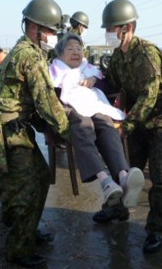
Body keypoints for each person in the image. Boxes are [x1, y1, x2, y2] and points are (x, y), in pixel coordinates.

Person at [0, 0, 70, 269]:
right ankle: (19, 249)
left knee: (41, 177)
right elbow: (46, 101)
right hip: (7, 133)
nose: (54, 36)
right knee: (26, 187)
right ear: (35, 28)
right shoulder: (29, 56)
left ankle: (28, 232)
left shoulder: (27, 50)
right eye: (51, 31)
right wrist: (69, 132)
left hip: (14, 128)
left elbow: (32, 102)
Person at [99, 0, 162, 254]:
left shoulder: (146, 53)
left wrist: (126, 126)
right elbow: (110, 84)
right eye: (108, 29)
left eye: (114, 29)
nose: (110, 34)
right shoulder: (117, 57)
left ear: (129, 27)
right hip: (136, 122)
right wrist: (87, 84)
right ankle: (118, 209)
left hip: (159, 123)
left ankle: (156, 231)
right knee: (125, 170)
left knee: (161, 180)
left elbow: (149, 95)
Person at [49, 32, 145, 210]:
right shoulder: (55, 71)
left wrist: (94, 80)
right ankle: (106, 181)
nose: (76, 52)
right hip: (71, 109)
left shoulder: (89, 69)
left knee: (107, 125)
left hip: (94, 105)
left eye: (79, 48)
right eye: (70, 49)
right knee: (83, 126)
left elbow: (107, 84)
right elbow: (51, 95)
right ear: (60, 55)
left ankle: (123, 177)